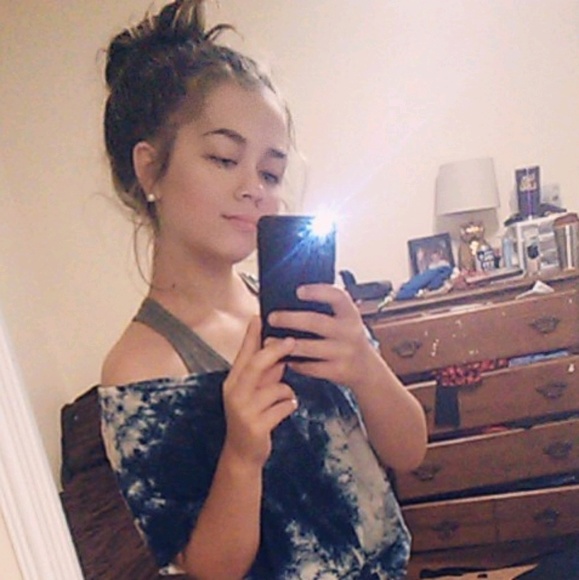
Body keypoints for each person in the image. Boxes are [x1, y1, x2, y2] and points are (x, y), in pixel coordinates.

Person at [97, 1, 427, 578]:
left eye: (271, 172)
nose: (255, 188)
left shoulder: (301, 308)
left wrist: (365, 367)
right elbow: (209, 569)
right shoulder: (141, 366)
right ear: (150, 170)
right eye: (225, 158)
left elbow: (409, 451)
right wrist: (242, 453)